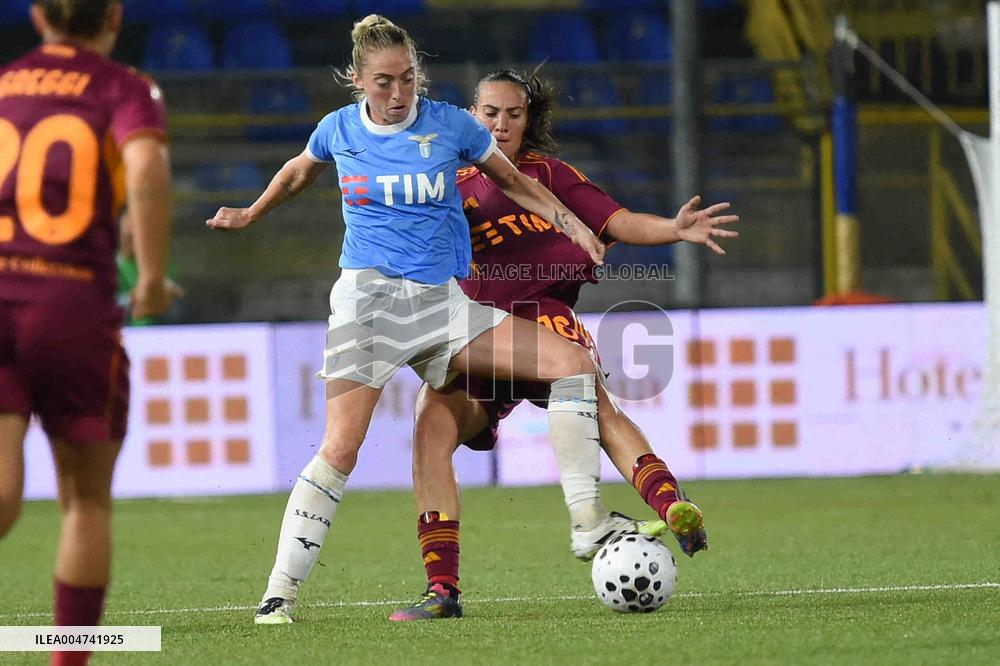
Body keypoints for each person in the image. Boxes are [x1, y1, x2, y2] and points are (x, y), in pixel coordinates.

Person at [207, 15, 646, 626]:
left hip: (445, 307)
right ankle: (278, 595)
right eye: (383, 82)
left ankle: (587, 520)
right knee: (341, 446)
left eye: (407, 79)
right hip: (368, 309)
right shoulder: (338, 129)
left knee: (572, 362)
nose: (397, 94)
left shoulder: (452, 125)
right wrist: (253, 212)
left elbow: (514, 182)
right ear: (357, 80)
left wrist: (572, 224)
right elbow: (298, 171)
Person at [392, 68, 739, 621]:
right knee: (431, 426)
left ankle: (671, 506)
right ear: (471, 114)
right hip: (480, 335)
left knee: (598, 410)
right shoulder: (449, 184)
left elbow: (619, 221)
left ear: (528, 120)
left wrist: (675, 230)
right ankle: (442, 590)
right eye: (490, 113)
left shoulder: (548, 174)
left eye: (513, 114)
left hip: (543, 320)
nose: (501, 125)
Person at [0, 2, 175, 664]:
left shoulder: (5, 83)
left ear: (39, 14)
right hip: (70, 301)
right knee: (84, 501)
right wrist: (151, 279)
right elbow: (148, 171)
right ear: (114, 17)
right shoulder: (123, 87)